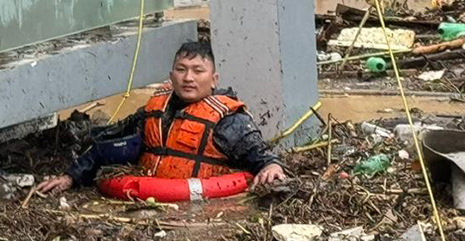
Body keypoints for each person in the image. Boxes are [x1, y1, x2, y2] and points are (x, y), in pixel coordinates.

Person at [37, 41, 285, 193]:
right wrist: (71, 177)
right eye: (181, 70)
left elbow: (264, 158)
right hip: (148, 199)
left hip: (204, 204)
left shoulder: (230, 121)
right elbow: (109, 145)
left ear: (214, 79)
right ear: (171, 75)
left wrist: (271, 167)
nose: (188, 78)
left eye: (198, 71)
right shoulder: (155, 110)